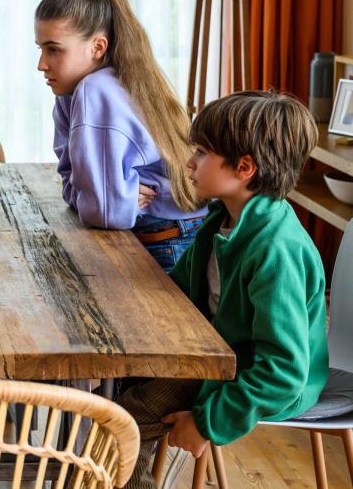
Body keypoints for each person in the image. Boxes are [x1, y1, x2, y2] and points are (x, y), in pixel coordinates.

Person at [119, 91, 328, 489]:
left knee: (122, 421)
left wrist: (206, 422)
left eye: (201, 152)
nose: (189, 162)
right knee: (116, 391)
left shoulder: (275, 249)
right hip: (219, 357)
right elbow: (178, 294)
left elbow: (283, 373)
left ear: (244, 167)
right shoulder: (220, 219)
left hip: (249, 378)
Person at [35, 0, 207, 270]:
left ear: (97, 47)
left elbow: (105, 212)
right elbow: (72, 182)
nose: (41, 64)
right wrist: (101, 195)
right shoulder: (69, 94)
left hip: (167, 240)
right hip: (172, 230)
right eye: (41, 49)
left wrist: (106, 198)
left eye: (54, 50)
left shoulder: (96, 91)